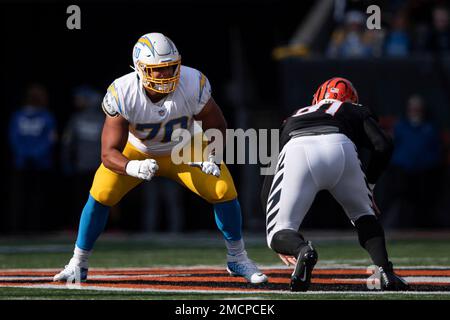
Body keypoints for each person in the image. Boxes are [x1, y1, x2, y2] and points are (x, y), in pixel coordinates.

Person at [53, 32, 267, 284]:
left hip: (185, 147)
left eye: (170, 68)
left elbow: (216, 124)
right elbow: (108, 153)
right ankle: (78, 263)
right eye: (158, 70)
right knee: (102, 192)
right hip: (139, 150)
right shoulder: (123, 92)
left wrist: (213, 154)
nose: (166, 75)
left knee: (223, 190)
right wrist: (132, 166)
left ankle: (237, 258)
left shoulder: (191, 82)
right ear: (141, 69)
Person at [261, 77, 409, 292]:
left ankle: (302, 249)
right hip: (340, 147)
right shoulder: (352, 109)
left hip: (297, 148)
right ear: (350, 98)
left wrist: (278, 233)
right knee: (364, 215)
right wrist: (370, 185)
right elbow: (383, 145)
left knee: (280, 231)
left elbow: (271, 172)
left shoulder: (294, 116)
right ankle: (385, 271)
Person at [8, 84, 57, 232]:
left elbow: (50, 139)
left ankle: (27, 228)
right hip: (31, 162)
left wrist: (27, 153)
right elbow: (50, 139)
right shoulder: (41, 116)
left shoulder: (42, 116)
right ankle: (23, 228)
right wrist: (33, 154)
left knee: (31, 197)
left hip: (33, 162)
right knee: (27, 197)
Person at [60, 85, 104, 228]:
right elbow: (68, 142)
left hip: (98, 166)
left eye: (81, 98)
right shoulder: (76, 119)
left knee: (101, 197)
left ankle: (106, 226)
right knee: (79, 198)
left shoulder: (102, 119)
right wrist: (66, 160)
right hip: (80, 166)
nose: (77, 101)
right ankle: (77, 225)